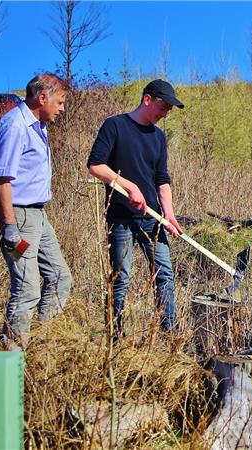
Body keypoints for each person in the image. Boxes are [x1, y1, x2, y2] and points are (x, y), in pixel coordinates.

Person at [86, 79, 185, 339]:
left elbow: (162, 179)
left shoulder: (159, 137)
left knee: (165, 275)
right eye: (163, 107)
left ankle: (169, 336)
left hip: (153, 219)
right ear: (147, 99)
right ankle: (115, 339)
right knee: (121, 279)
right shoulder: (115, 126)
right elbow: (95, 165)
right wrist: (129, 186)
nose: (164, 114)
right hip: (121, 218)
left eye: (168, 111)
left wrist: (170, 215)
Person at [0, 73, 72, 347]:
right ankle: (14, 352)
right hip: (18, 217)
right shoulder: (15, 126)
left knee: (60, 277)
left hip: (37, 216)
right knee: (27, 287)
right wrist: (9, 225)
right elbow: (2, 178)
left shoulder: (38, 126)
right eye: (60, 102)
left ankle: (42, 341)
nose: (62, 108)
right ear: (42, 97)